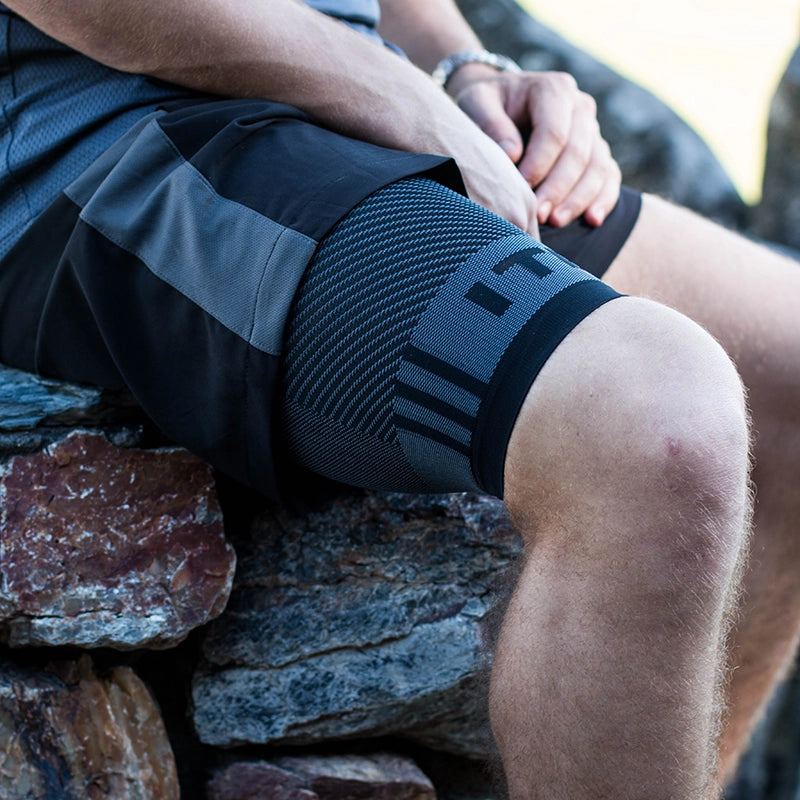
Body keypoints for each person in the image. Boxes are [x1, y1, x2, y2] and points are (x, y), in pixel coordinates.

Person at [0, 0, 798, 797]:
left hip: (339, 113)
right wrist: (400, 94)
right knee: (651, 422)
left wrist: (464, 68)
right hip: (113, 136)